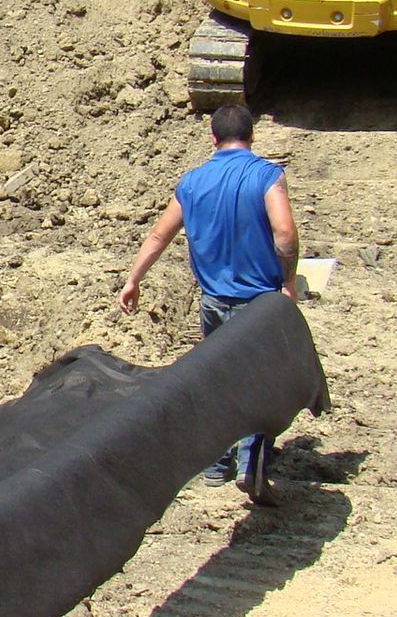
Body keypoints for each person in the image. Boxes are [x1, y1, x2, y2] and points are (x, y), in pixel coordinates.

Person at [116, 104, 300, 501]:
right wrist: (288, 282)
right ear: (251, 137)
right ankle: (251, 462)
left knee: (218, 380)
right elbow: (284, 232)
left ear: (213, 139)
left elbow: (158, 237)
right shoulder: (267, 175)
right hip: (259, 303)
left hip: (214, 301)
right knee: (260, 383)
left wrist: (133, 280)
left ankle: (216, 466)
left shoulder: (193, 182)